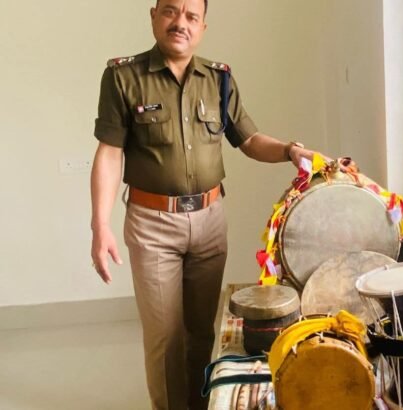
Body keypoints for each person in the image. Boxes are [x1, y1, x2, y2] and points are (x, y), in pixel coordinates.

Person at [90, 0, 320, 408]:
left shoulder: (219, 79)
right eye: (170, 11)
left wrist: (290, 150)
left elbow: (250, 140)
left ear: (202, 27)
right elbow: (110, 153)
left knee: (200, 332)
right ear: (154, 16)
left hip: (210, 222)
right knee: (165, 337)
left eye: (191, 16)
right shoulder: (123, 77)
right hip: (153, 224)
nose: (180, 22)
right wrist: (100, 225)